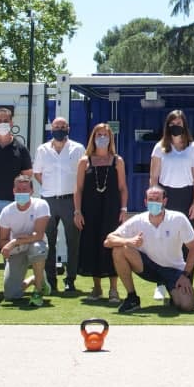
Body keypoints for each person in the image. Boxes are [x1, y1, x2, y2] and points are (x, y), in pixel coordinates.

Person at [106, 186, 194, 313]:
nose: (154, 202)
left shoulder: (178, 218)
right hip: (148, 267)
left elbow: (193, 248)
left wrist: (185, 275)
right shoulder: (138, 220)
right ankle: (132, 297)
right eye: (150, 199)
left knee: (186, 306)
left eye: (157, 199)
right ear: (145, 202)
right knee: (119, 249)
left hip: (174, 270)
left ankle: (173, 293)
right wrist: (129, 241)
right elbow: (108, 240)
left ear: (164, 201)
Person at [74, 122, 128, 301]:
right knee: (92, 244)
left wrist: (123, 209)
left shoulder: (117, 160)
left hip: (111, 209)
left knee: (112, 244)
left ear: (110, 138)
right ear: (93, 138)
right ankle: (96, 288)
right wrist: (77, 211)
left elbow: (122, 188)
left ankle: (114, 289)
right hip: (90, 210)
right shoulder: (84, 161)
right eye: (99, 135)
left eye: (105, 135)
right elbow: (78, 188)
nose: (102, 138)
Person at [33, 116, 83, 294]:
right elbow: (37, 173)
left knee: (73, 241)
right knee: (48, 241)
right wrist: (48, 186)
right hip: (48, 200)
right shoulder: (42, 150)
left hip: (70, 200)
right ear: (51, 129)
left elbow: (82, 175)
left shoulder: (77, 148)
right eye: (56, 126)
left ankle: (70, 279)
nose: (59, 129)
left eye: (63, 126)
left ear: (68, 129)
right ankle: (51, 280)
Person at [0, 174, 51, 306]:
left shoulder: (41, 204)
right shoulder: (6, 211)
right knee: (11, 294)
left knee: (37, 247)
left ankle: (38, 291)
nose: (22, 192)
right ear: (14, 191)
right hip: (17, 251)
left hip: (36, 246)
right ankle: (36, 278)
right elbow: (3, 239)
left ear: (32, 191)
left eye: (25, 190)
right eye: (19, 189)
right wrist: (10, 246)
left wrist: (14, 241)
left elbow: (38, 235)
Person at [150, 109, 194, 221]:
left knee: (186, 236)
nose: (175, 126)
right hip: (166, 196)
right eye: (172, 124)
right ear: (167, 126)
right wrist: (155, 200)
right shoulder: (159, 147)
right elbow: (154, 178)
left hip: (187, 196)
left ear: (184, 125)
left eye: (179, 123)